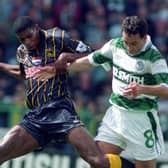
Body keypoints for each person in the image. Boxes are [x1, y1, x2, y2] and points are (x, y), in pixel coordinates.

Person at [0, 15, 135, 168]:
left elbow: (96, 55)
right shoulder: (22, 52)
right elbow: (24, 74)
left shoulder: (58, 38)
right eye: (22, 39)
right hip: (35, 117)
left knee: (98, 162)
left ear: (37, 28)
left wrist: (66, 57)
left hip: (60, 112)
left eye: (29, 36)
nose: (27, 42)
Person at [34, 15, 168, 168]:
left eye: (134, 44)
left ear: (144, 38)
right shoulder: (115, 46)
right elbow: (88, 61)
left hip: (141, 120)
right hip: (116, 115)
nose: (129, 48)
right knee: (98, 161)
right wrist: (57, 70)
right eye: (126, 42)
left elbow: (166, 90)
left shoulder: (154, 58)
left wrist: (142, 89)